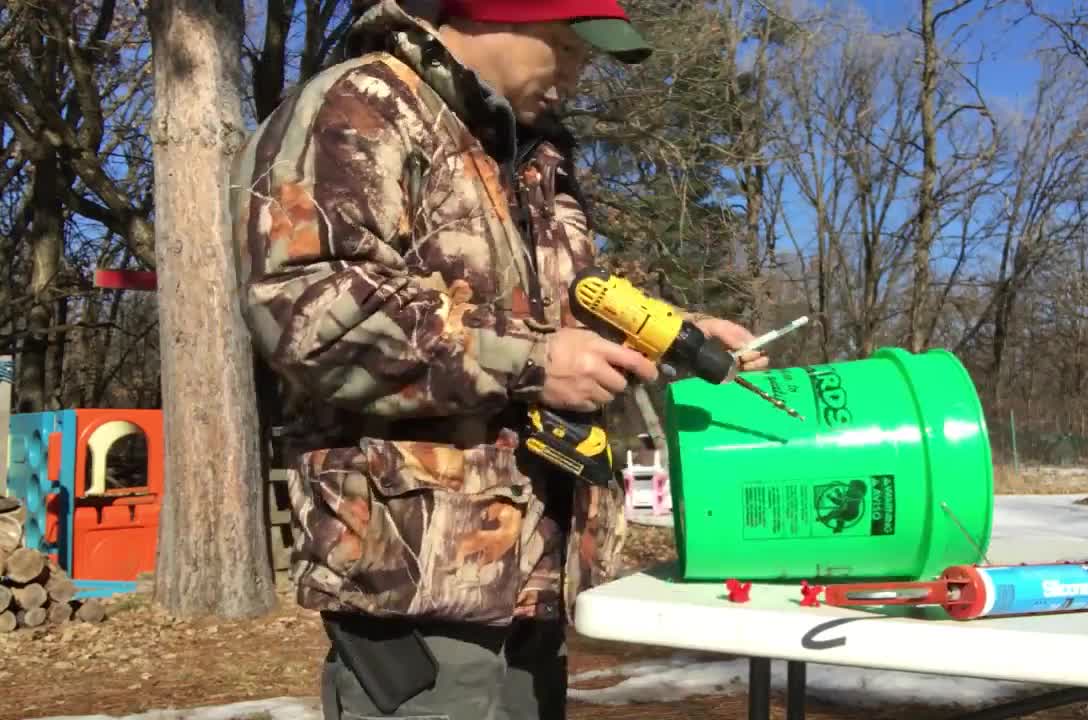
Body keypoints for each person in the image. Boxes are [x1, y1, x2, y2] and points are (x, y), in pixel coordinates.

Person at [228, 1, 768, 718]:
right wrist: (534, 361)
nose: (578, 75)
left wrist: (673, 332)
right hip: (415, 577)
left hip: (538, 570)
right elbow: (307, 312)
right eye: (568, 48)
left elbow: (562, 306)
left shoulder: (535, 154)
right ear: (499, 16)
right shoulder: (359, 108)